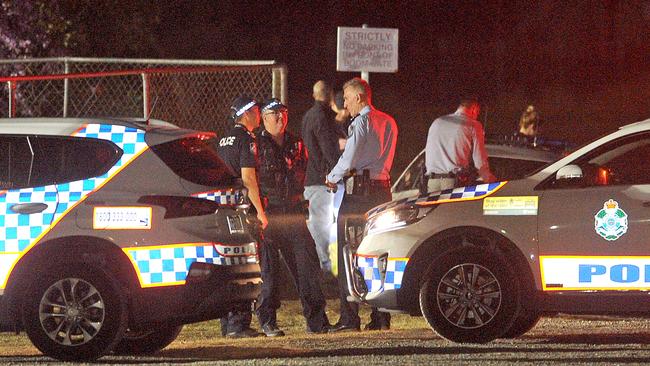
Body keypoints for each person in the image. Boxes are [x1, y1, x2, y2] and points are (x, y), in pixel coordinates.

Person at [325, 77, 397, 332]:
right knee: (379, 251)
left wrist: (331, 177)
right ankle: (381, 316)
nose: (345, 103)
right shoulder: (389, 121)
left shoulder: (361, 122)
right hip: (383, 191)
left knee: (347, 250)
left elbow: (349, 158)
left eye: (346, 98)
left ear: (358, 97)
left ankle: (349, 317)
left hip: (359, 194)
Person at [255, 98, 331, 335]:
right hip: (270, 213)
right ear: (264, 119)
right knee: (270, 270)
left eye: (284, 114)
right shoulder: (256, 144)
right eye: (275, 115)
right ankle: (268, 320)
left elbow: (303, 171)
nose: (281, 118)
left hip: (294, 211)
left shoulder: (296, 143)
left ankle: (317, 321)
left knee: (307, 266)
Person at [217, 96, 267, 338]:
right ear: (245, 114)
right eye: (256, 110)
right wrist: (259, 210)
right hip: (243, 209)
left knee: (230, 264)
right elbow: (248, 178)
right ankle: (239, 323)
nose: (259, 114)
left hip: (225, 209)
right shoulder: (246, 139)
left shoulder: (224, 138)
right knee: (247, 264)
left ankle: (227, 323)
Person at [301, 81, 342, 273]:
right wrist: (336, 173)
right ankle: (325, 266)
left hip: (312, 178)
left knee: (318, 223)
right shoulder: (322, 118)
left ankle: (322, 265)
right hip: (322, 180)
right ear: (330, 95)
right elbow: (329, 149)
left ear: (313, 94)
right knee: (323, 226)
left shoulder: (308, 116)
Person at [425, 96, 496, 192]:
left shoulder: (437, 122)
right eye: (478, 113)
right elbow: (479, 160)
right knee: (453, 207)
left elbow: (428, 152)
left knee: (439, 208)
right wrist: (489, 180)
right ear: (474, 109)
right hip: (453, 183)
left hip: (432, 182)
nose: (477, 116)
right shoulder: (473, 125)